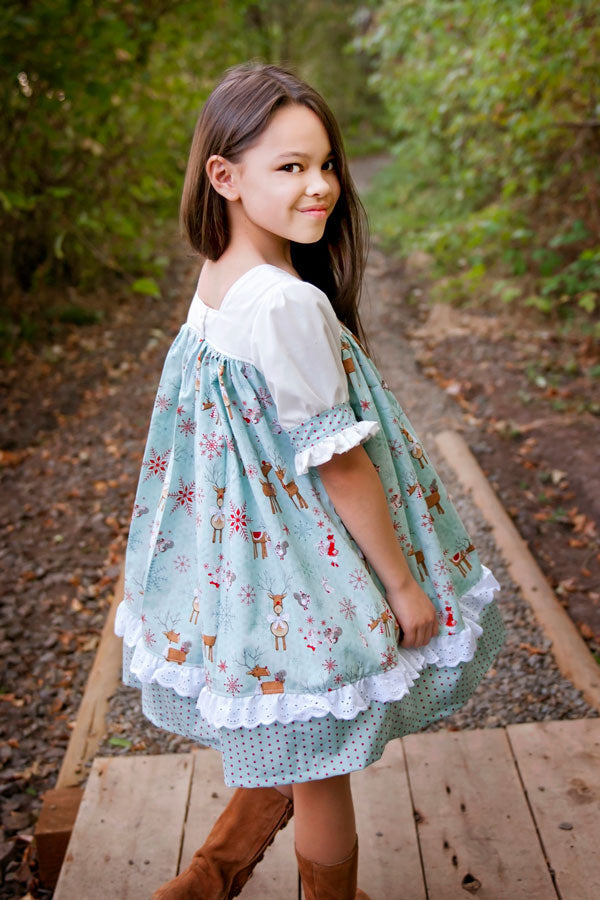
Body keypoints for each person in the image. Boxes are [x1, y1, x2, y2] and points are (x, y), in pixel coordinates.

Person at [114, 61, 506, 900]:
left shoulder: (218, 277)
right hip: (306, 556)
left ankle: (207, 878)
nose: (320, 186)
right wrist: (402, 585)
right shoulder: (285, 304)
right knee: (323, 761)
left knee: (295, 727)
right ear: (225, 176)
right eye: (290, 167)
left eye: (325, 163)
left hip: (246, 553)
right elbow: (337, 457)